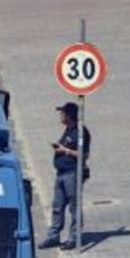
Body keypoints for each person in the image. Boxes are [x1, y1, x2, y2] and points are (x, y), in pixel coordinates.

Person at [39, 101, 91, 249]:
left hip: (72, 173)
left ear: (69, 115)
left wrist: (65, 151)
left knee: (74, 207)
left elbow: (84, 155)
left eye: (62, 113)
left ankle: (74, 237)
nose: (60, 116)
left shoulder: (80, 132)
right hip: (61, 173)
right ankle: (53, 236)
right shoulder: (68, 130)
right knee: (57, 206)